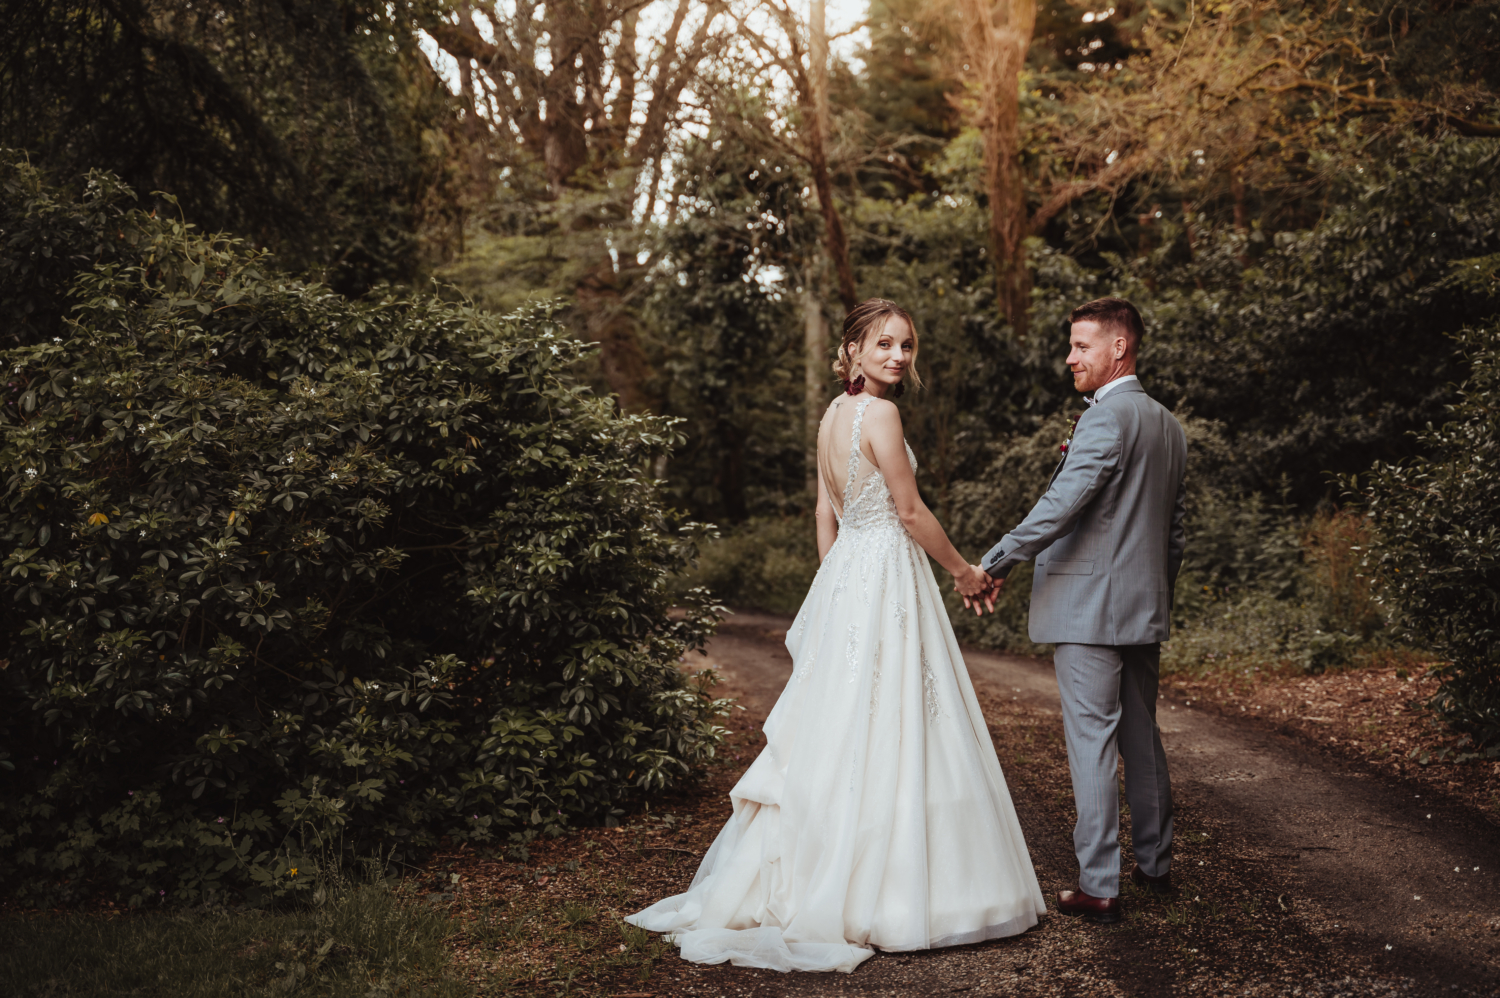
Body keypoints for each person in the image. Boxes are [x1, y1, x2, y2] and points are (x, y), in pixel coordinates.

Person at [625, 299, 1046, 973]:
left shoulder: (832, 415)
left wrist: (835, 581)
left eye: (906, 345)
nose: (898, 356)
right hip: (886, 574)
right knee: (895, 715)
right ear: (851, 349)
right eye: (884, 344)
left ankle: (836, 867)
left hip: (853, 572)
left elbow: (826, 511)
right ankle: (896, 890)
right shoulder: (881, 414)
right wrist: (965, 572)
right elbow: (909, 511)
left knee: (848, 719)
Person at [976, 296, 1186, 925]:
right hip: (1142, 606)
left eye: (1080, 345)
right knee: (1141, 735)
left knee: (1091, 741)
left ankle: (1099, 885)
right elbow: (1174, 532)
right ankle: (1155, 865)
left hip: (1090, 610)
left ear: (1118, 347)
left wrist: (998, 559)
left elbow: (1063, 504)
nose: (1070, 357)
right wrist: (1153, 590)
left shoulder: (1105, 418)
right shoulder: (1168, 425)